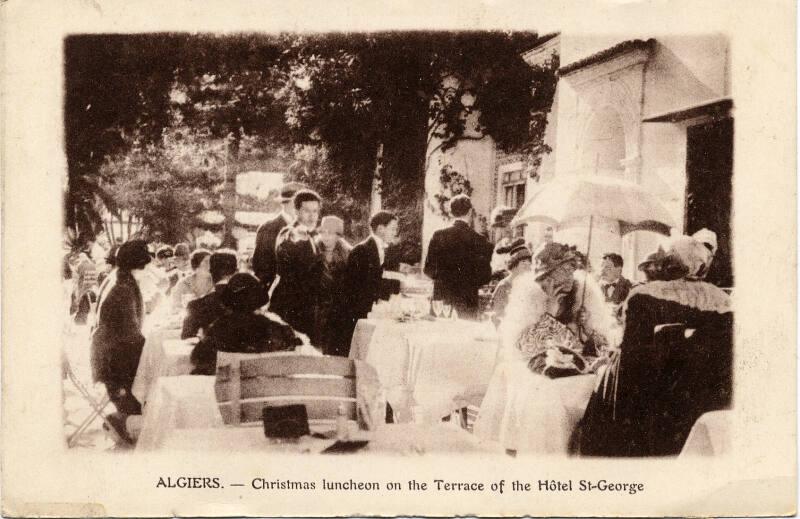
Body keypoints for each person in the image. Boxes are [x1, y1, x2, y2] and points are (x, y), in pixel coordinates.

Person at [576, 235, 733, 457]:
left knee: (604, 380)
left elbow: (632, 353)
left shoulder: (644, 295)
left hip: (647, 394)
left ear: (667, 263)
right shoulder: (720, 297)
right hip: (697, 393)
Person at [498, 242, 617, 375]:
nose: (570, 277)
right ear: (547, 275)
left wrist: (588, 330)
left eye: (572, 271)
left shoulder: (583, 294)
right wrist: (550, 314)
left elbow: (604, 348)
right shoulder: (528, 298)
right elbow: (524, 348)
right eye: (565, 271)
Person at [90, 240, 151, 444]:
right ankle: (127, 423)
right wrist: (151, 347)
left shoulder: (117, 277)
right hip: (115, 365)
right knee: (155, 373)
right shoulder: (123, 288)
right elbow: (131, 336)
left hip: (108, 356)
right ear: (139, 265)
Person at [190, 273, 303, 375]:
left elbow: (196, 359)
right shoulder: (279, 330)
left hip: (230, 394)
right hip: (271, 393)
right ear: (259, 299)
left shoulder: (218, 328)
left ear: (228, 301)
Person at [424, 194, 493, 320]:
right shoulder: (480, 240)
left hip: (442, 299)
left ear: (451, 212)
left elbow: (428, 270)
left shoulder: (439, 235)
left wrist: (444, 278)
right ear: (470, 212)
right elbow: (485, 277)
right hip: (467, 300)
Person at [341, 210, 399, 352]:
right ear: (380, 229)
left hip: (375, 312)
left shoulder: (388, 250)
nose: (395, 233)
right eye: (393, 228)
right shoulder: (360, 250)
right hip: (359, 315)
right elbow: (357, 287)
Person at [270, 189, 322, 337]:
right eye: (307, 211)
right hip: (289, 305)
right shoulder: (289, 232)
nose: (312, 216)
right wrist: (294, 237)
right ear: (296, 211)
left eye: (315, 211)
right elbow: (285, 245)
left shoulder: (312, 236)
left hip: (306, 307)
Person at [252, 181, 307, 292]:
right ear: (290, 203)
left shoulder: (310, 228)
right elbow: (261, 269)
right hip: (278, 295)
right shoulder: (268, 228)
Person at [313, 215, 352, 356]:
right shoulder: (312, 249)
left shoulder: (348, 253)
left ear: (338, 236)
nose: (326, 236)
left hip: (337, 308)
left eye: (330, 233)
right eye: (323, 232)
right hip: (316, 305)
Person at [181, 249, 238, 339]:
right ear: (236, 271)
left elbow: (186, 342)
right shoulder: (251, 302)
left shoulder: (195, 306)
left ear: (211, 272)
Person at [490, 239, 532, 327]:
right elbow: (497, 314)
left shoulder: (526, 284)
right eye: (523, 262)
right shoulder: (504, 285)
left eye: (529, 262)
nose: (527, 265)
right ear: (514, 265)